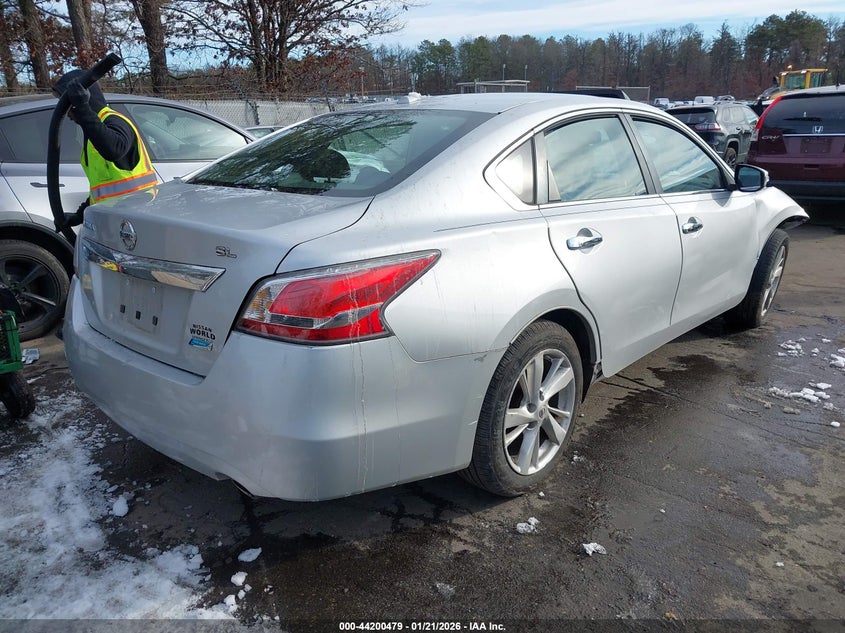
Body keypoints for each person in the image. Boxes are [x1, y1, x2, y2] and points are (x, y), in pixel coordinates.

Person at [52, 69, 158, 229]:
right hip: (116, 224)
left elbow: (114, 149)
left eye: (67, 106)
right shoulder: (93, 131)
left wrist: (83, 109)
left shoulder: (114, 121)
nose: (67, 114)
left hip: (138, 223)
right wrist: (79, 215)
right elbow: (102, 189)